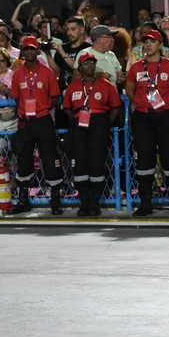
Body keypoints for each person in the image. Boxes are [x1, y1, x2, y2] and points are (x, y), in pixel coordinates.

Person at [126, 29, 169, 217]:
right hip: (143, 118)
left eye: (152, 42)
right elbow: (129, 90)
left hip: (166, 117)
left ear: (161, 45)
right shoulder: (137, 67)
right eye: (145, 42)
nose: (148, 45)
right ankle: (145, 204)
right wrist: (140, 103)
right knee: (144, 160)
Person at [6, 36, 64, 216]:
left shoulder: (47, 73)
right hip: (25, 121)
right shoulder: (17, 75)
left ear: (37, 50)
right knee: (23, 158)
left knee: (49, 158)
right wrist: (26, 110)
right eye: (26, 49)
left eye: (33, 49)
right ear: (22, 52)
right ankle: (23, 201)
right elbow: (16, 97)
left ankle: (55, 202)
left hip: (43, 120)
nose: (30, 52)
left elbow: (55, 97)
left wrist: (42, 108)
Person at [62, 53, 121, 216]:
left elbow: (115, 106)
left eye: (92, 63)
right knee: (80, 161)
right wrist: (77, 118)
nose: (89, 66)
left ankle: (95, 203)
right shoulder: (73, 86)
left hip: (99, 123)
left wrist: (104, 122)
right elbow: (67, 107)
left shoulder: (105, 84)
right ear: (80, 68)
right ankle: (84, 203)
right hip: (79, 124)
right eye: (85, 63)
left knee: (97, 160)